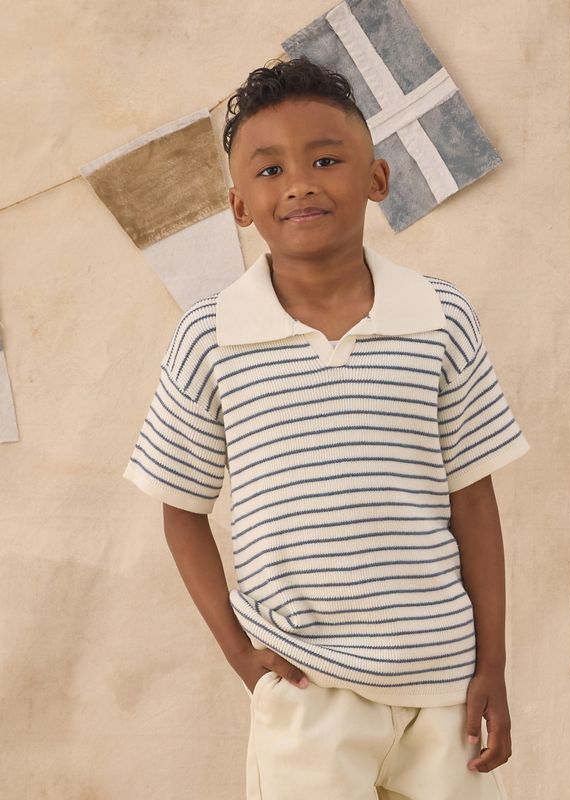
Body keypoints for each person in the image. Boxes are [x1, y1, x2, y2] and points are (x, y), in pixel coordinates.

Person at [123, 56, 530, 800]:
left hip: (443, 682)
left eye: (325, 159)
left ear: (376, 179)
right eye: (269, 170)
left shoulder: (440, 318)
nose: (300, 183)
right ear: (240, 205)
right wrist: (240, 655)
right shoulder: (210, 337)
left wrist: (492, 665)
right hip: (305, 684)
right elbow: (180, 509)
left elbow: (474, 500)